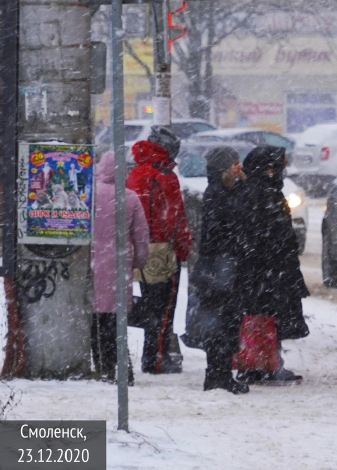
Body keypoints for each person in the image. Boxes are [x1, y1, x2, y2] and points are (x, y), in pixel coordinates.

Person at [239, 146, 309, 384]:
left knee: (266, 317)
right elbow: (262, 233)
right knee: (264, 316)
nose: (282, 172)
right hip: (266, 268)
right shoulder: (260, 193)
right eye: (280, 167)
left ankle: (264, 363)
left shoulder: (263, 190)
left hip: (268, 268)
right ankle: (262, 364)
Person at [185, 146, 253, 394]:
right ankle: (217, 376)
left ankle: (221, 374)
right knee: (221, 324)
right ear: (224, 167)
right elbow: (221, 233)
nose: (240, 168)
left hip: (225, 269)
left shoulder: (226, 191)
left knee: (228, 323)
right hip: (220, 270)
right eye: (235, 163)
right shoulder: (217, 194)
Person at [126, 128, 193, 374]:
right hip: (162, 248)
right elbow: (175, 216)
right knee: (164, 306)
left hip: (137, 246)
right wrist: (183, 247)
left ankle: (151, 355)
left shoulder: (135, 172)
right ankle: (155, 358)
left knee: (150, 303)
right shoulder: (165, 175)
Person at [90, 150, 150, 383]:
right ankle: (123, 369)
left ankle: (102, 365)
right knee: (117, 322)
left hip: (92, 266)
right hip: (118, 266)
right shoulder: (130, 197)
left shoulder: (90, 195)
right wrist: (138, 261)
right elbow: (141, 236)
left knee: (96, 321)